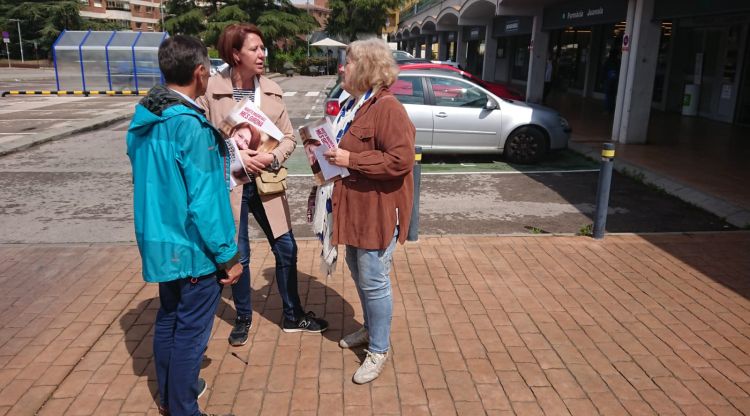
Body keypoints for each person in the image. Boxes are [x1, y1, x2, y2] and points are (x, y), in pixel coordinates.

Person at [126, 35, 241, 416]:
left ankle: (174, 393)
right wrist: (229, 256)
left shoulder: (146, 117)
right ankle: (182, 407)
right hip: (192, 248)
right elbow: (206, 202)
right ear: (199, 72)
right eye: (207, 70)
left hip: (159, 240)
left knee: (169, 319)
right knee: (191, 331)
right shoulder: (190, 126)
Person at [197, 23, 328, 347]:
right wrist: (238, 155)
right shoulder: (211, 90)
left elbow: (287, 137)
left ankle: (293, 314)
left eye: (262, 48)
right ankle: (243, 316)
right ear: (234, 53)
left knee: (287, 247)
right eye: (254, 48)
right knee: (238, 253)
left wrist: (271, 158)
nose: (262, 54)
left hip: (267, 183)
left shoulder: (270, 89)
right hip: (231, 185)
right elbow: (200, 140)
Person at [323, 38, 415, 384]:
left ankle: (379, 349)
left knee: (374, 280)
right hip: (353, 206)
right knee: (359, 272)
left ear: (365, 68)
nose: (341, 68)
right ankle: (370, 328)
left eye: (347, 62)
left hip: (376, 210)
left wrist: (352, 159)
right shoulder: (355, 104)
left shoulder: (387, 108)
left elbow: (401, 160)